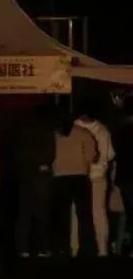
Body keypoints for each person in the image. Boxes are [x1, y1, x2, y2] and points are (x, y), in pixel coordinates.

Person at [14, 104, 56, 258]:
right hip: (41, 177)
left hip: (25, 176)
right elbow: (51, 153)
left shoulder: (22, 131)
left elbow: (18, 154)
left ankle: (23, 248)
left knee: (24, 215)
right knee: (42, 215)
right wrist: (43, 164)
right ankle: (43, 248)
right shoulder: (46, 131)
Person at [53, 114, 98, 258]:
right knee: (84, 215)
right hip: (80, 176)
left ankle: (62, 248)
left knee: (62, 215)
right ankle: (87, 248)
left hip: (60, 177)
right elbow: (91, 155)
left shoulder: (55, 134)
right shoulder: (83, 133)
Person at [73, 108, 114, 258]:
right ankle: (102, 250)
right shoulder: (103, 130)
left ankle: (76, 247)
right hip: (98, 176)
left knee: (77, 214)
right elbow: (110, 155)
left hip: (79, 175)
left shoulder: (74, 129)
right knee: (99, 214)